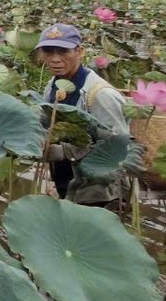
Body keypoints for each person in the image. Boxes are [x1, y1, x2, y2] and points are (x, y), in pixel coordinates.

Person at [35, 22, 137, 205]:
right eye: (48, 52)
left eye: (63, 51)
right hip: (67, 177)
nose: (55, 59)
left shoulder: (100, 94)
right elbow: (46, 123)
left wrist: (66, 151)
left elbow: (117, 149)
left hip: (99, 189)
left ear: (79, 51)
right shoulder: (52, 86)